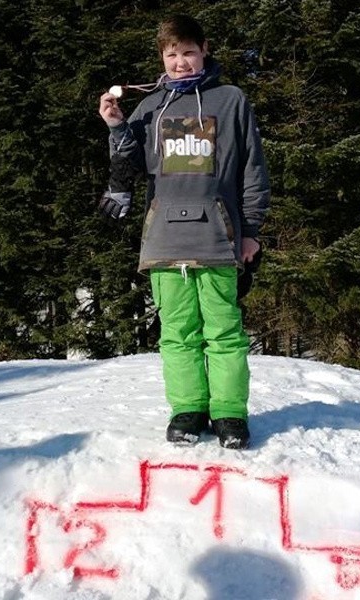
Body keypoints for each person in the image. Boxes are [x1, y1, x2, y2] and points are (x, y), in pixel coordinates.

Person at [98, 14, 270, 449]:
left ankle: (229, 413)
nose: (180, 62)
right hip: (164, 240)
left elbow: (253, 169)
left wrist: (250, 231)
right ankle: (188, 409)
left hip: (218, 236)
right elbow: (131, 164)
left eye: (188, 52)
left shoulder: (230, 100)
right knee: (177, 332)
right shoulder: (151, 105)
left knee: (224, 331)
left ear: (204, 50)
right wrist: (117, 124)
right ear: (162, 56)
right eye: (171, 54)